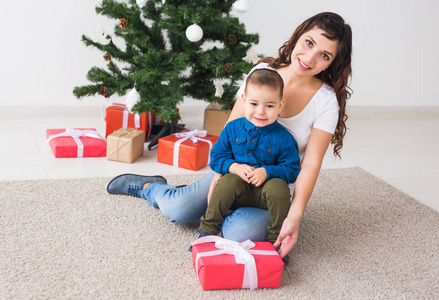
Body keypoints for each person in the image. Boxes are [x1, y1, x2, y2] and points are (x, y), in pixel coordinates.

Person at [107, 12, 352, 259]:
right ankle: (151, 187)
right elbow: (231, 129)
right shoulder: (263, 71)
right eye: (309, 43)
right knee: (178, 209)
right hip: (234, 173)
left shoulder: (325, 101)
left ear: (332, 63)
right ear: (298, 35)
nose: (310, 58)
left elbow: (310, 164)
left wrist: (295, 215)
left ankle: (234, 214)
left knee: (237, 232)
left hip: (272, 189)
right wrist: (218, 174)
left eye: (325, 55)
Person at [198, 69, 300, 245]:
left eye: (269, 106)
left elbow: (292, 169)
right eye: (254, 104)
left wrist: (267, 172)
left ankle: (276, 240)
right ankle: (208, 231)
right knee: (228, 181)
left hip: (265, 198)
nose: (260, 112)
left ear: (280, 105)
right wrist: (234, 167)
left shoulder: (284, 138)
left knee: (278, 187)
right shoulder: (232, 129)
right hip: (237, 193)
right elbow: (216, 157)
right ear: (244, 100)